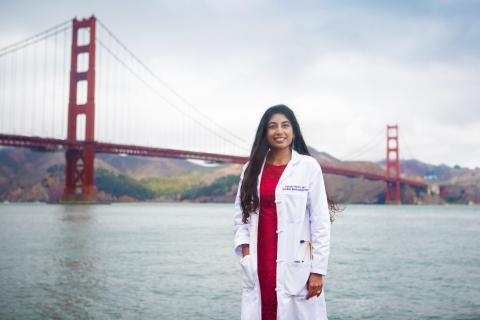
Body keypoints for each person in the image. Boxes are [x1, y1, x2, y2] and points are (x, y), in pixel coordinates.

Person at [233, 104, 337, 320]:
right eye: (272, 126)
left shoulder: (308, 167)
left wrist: (318, 270)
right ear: (265, 132)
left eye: (285, 125)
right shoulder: (251, 169)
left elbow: (320, 222)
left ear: (293, 130)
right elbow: (240, 217)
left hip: (297, 265)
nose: (279, 131)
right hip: (260, 263)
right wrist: (246, 253)